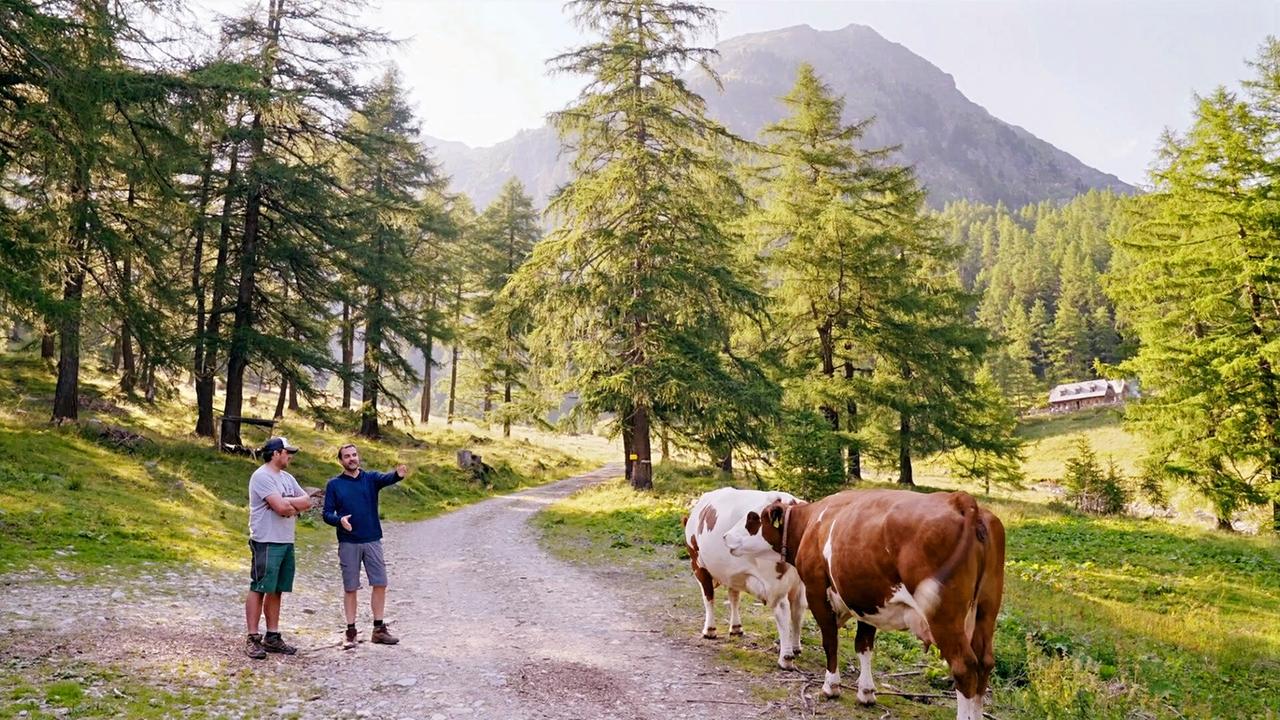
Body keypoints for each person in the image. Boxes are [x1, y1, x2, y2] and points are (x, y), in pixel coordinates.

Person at [322, 443, 408, 648]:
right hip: (348, 542)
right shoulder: (334, 484)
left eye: (354, 455)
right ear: (341, 461)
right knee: (351, 587)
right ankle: (350, 631)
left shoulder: (370, 479)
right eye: (347, 456)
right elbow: (326, 513)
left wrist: (398, 474)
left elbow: (389, 478)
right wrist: (339, 520)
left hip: (372, 540)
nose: (352, 458)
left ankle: (378, 629)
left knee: (380, 583)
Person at [244, 436, 313, 659]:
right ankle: (252, 637)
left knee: (277, 589)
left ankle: (272, 636)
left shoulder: (287, 477)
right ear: (275, 453)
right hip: (266, 539)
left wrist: (287, 504)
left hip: (285, 539)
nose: (289, 456)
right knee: (260, 586)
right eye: (286, 452)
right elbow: (281, 507)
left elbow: (307, 501)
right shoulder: (262, 476)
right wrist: (290, 505)